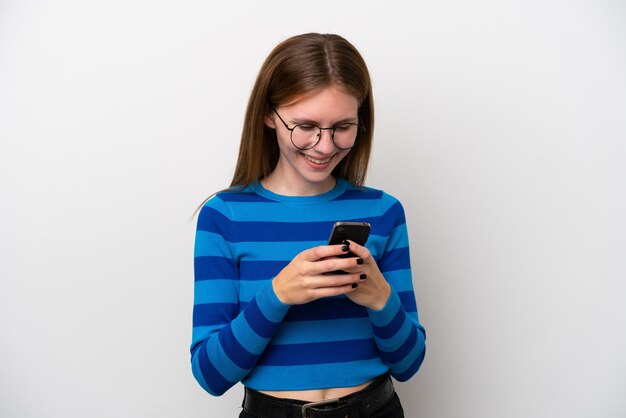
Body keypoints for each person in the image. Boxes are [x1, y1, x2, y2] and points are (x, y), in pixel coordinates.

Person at [191, 33, 426, 418]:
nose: (325, 146)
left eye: (343, 127)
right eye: (305, 125)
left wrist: (381, 298)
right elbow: (210, 375)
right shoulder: (225, 215)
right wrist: (278, 294)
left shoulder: (383, 211)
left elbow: (409, 364)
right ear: (269, 115)